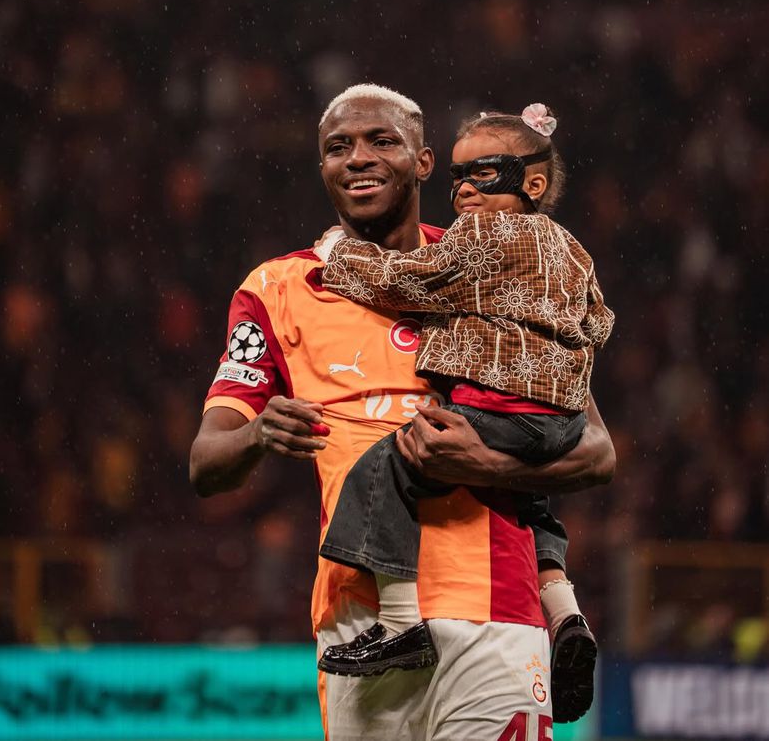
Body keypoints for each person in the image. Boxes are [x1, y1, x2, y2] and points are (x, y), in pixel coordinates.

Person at [189, 83, 615, 741]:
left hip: (496, 610)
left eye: (380, 141)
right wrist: (257, 433)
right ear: (323, 169)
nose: (358, 158)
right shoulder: (275, 290)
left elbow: (595, 449)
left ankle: (559, 612)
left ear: (423, 162)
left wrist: (486, 461)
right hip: (357, 623)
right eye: (338, 148)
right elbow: (206, 462)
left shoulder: (487, 262)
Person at [313, 104, 613, 723]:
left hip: (493, 406)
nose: (465, 189)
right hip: (554, 418)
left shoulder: (479, 237)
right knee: (532, 503)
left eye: (483, 173)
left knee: (384, 469)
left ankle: (397, 623)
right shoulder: (575, 251)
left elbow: (412, 281)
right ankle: (567, 612)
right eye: (458, 177)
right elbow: (600, 322)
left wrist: (339, 255)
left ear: (531, 184)